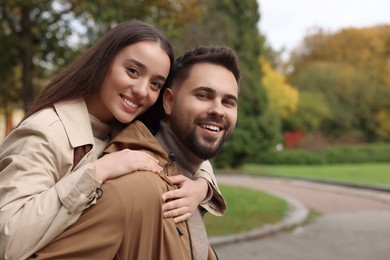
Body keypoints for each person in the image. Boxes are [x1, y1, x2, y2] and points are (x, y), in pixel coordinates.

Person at [0, 20, 221, 260]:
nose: (142, 91)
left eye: (155, 84)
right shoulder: (45, 132)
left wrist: (201, 187)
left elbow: (182, 148)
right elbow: (7, 241)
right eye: (133, 71)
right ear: (104, 62)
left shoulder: (130, 128)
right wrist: (96, 172)